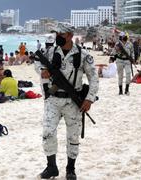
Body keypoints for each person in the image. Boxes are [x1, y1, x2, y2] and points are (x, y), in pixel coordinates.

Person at [35, 25, 99, 179]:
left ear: (70, 35)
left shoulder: (83, 54)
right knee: (47, 132)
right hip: (53, 100)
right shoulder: (51, 52)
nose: (58, 37)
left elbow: (93, 78)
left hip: (73, 101)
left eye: (61, 34)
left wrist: (89, 98)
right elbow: (37, 62)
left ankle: (70, 169)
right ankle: (51, 167)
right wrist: (41, 71)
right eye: (57, 34)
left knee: (73, 136)